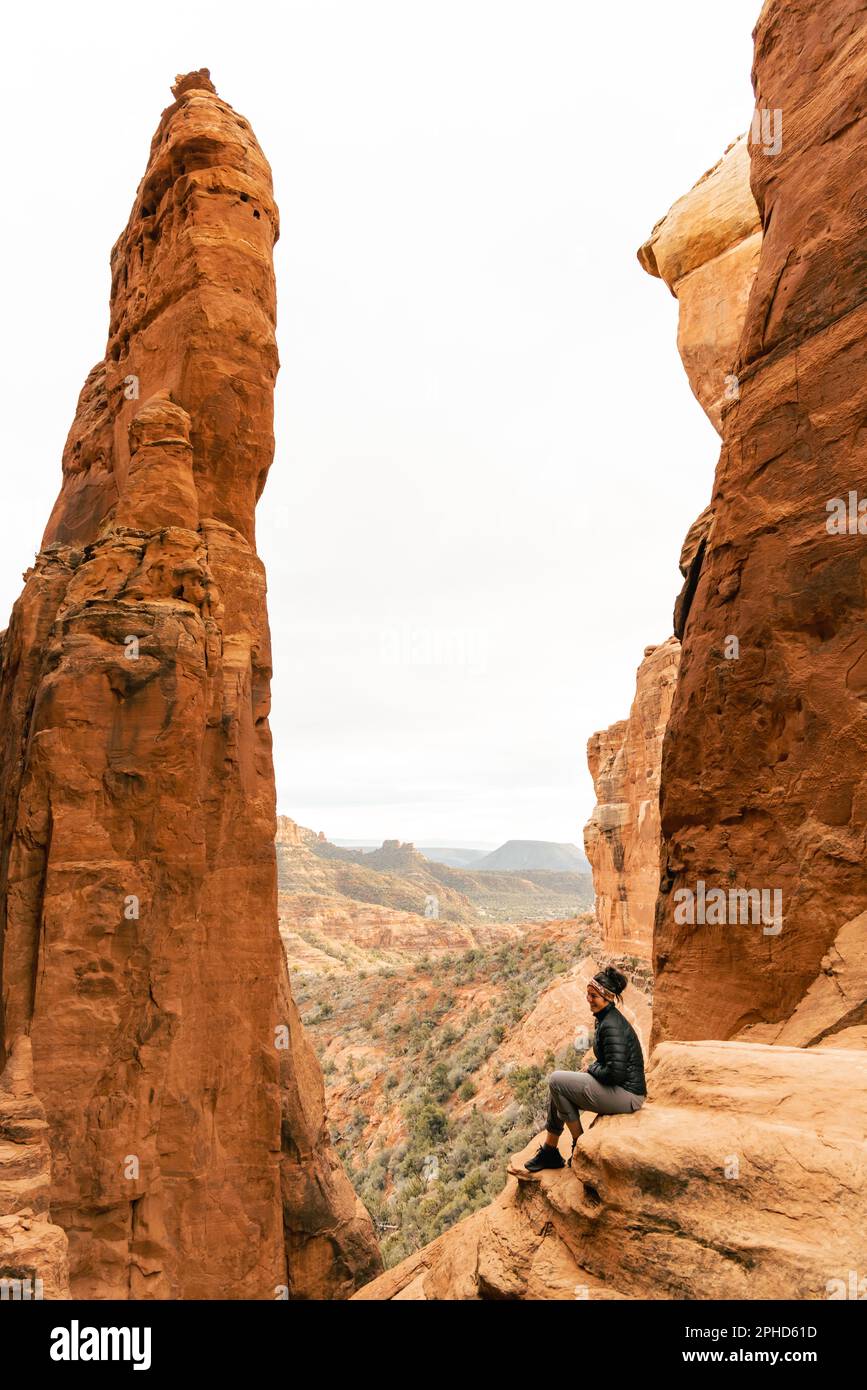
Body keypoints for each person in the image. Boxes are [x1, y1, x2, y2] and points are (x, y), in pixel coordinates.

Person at [524, 967, 646, 1172]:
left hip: (629, 1095)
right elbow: (611, 1066)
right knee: (558, 1088)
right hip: (623, 1089)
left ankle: (580, 1147)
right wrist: (594, 1069)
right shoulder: (605, 1018)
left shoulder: (611, 1026)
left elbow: (616, 1073)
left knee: (556, 1080)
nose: (588, 999)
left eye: (594, 995)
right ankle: (550, 1150)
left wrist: (592, 1069)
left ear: (606, 997)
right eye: (588, 994)